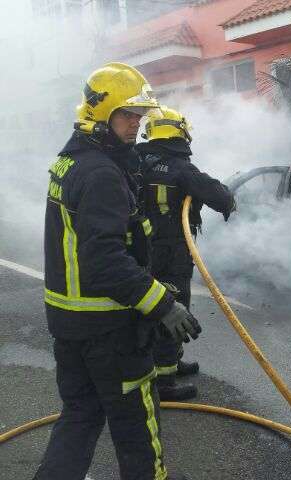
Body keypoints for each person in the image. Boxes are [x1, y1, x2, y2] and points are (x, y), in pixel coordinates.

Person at [35, 62, 201, 480]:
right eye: (127, 114)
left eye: (139, 115)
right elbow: (104, 261)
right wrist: (162, 303)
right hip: (108, 330)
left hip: (70, 326)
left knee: (80, 417)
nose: (136, 124)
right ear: (101, 113)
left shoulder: (70, 162)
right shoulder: (102, 174)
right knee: (137, 428)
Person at [136, 106, 235, 401]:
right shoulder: (180, 168)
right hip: (172, 253)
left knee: (152, 307)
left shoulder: (136, 162)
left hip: (141, 250)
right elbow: (219, 196)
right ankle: (165, 383)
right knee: (174, 309)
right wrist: (229, 199)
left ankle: (170, 362)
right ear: (179, 132)